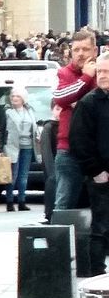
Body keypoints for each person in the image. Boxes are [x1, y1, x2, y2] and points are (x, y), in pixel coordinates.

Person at [70, 55, 109, 277]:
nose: (102, 75)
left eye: (107, 71)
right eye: (100, 71)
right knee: (101, 228)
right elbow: (79, 141)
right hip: (101, 177)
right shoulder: (88, 103)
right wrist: (95, 171)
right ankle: (98, 276)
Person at [52, 30, 98, 211]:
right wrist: (86, 77)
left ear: (94, 51)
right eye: (76, 49)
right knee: (64, 203)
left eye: (85, 49)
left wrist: (78, 102)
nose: (80, 54)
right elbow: (61, 98)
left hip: (98, 150)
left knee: (101, 203)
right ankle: (58, 239)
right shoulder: (64, 73)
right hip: (68, 150)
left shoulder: (103, 71)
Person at [0, 86, 37, 212]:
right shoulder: (7, 112)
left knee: (23, 176)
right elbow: (1, 131)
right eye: (13, 96)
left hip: (28, 145)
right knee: (11, 175)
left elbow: (34, 127)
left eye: (18, 96)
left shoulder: (30, 111)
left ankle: (22, 201)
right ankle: (9, 201)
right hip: (11, 146)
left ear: (23, 99)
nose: (14, 98)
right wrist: (0, 149)